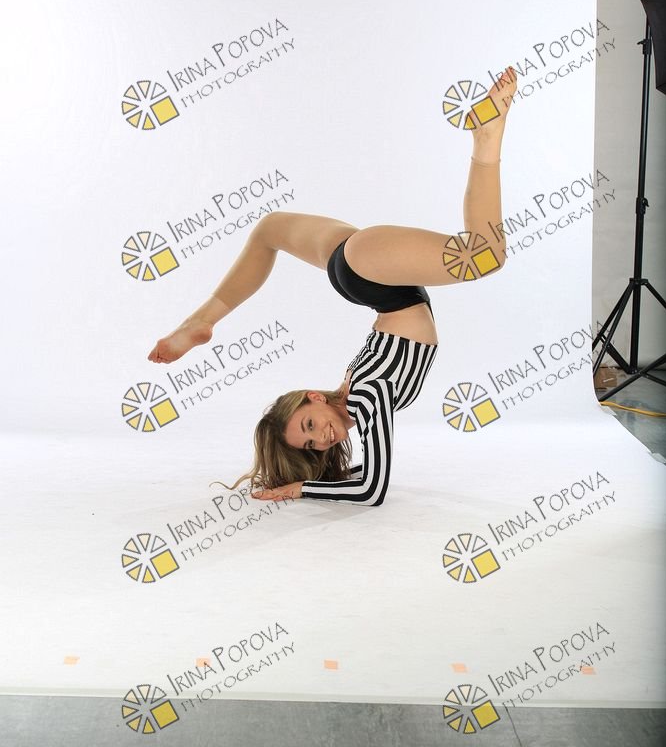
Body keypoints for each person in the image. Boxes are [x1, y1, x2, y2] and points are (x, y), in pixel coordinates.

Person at [148, 67, 517, 505]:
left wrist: (300, 489)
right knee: (269, 229)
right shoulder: (356, 397)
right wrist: (313, 479)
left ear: (312, 398)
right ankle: (201, 321)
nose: (321, 438)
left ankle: (485, 138)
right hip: (361, 272)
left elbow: (372, 490)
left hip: (371, 276)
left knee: (483, 256)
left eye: (309, 425)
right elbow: (367, 473)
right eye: (312, 447)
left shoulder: (363, 396)